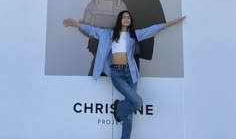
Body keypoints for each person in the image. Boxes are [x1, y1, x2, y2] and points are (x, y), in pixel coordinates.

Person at [63, 10, 185, 139]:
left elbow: (153, 29)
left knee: (129, 117)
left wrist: (172, 22)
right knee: (137, 102)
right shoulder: (108, 34)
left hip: (131, 73)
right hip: (117, 73)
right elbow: (92, 30)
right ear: (120, 20)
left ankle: (121, 112)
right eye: (124, 17)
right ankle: (120, 108)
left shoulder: (134, 35)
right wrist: (76, 24)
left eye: (129, 17)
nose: (127, 19)